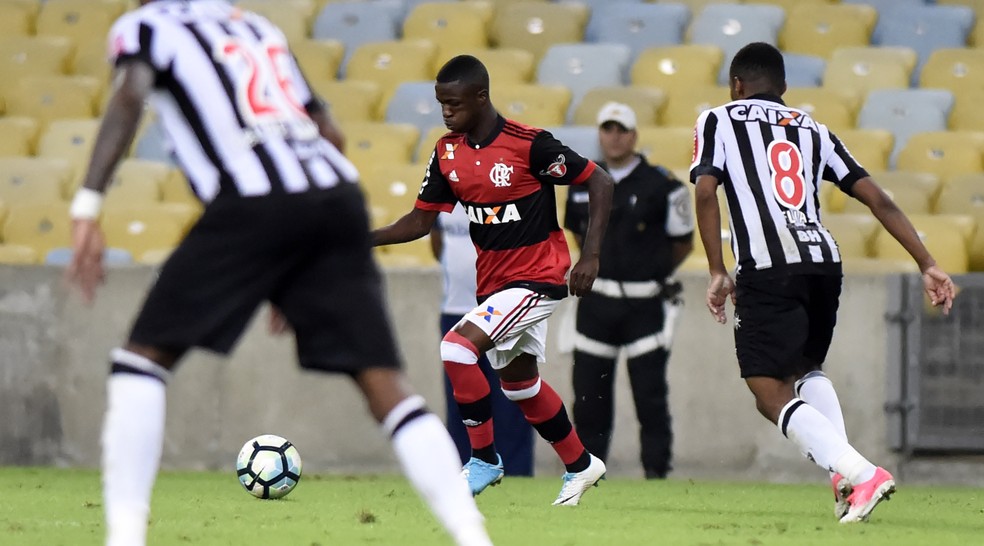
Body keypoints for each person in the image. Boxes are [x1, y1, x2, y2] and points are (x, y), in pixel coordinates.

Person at [64, 2, 492, 546]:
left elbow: (129, 96)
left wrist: (85, 206)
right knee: (387, 385)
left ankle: (123, 538)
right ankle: (473, 537)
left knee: (138, 364)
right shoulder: (254, 25)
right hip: (335, 196)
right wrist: (290, 266)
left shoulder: (147, 26)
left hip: (251, 198)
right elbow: (329, 130)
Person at [691, 42, 956, 523]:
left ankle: (862, 472)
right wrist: (927, 262)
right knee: (805, 368)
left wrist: (715, 269)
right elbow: (879, 198)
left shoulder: (719, 119)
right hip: (823, 261)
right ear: (784, 87)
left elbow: (706, 190)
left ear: (736, 85)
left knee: (767, 387)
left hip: (769, 264)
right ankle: (843, 478)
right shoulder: (813, 128)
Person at [373, 54, 615, 506]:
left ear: (481, 97)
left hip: (539, 277)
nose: (446, 113)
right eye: (441, 104)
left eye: (454, 104)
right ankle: (582, 464)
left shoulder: (530, 145)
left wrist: (591, 256)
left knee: (455, 348)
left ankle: (483, 460)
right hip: (496, 286)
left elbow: (599, 181)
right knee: (519, 385)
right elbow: (418, 222)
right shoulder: (447, 153)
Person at [564, 102, 694, 480]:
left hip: (644, 306)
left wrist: (648, 273)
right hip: (596, 303)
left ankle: (656, 473)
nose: (614, 136)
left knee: (650, 396)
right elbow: (576, 232)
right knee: (589, 398)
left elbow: (682, 242)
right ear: (599, 134)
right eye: (607, 128)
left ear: (634, 136)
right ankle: (587, 473)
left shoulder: (662, 185)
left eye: (622, 129)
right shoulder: (580, 183)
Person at [431, 204, 536, 476]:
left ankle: (516, 474)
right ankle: (465, 472)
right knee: (462, 402)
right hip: (455, 310)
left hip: (504, 309)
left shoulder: (501, 187)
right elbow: (436, 241)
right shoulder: (440, 195)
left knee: (511, 396)